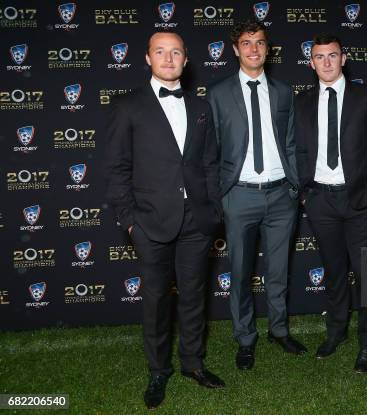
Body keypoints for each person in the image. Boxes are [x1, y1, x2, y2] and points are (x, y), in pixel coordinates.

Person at [105, 31, 225, 409]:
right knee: (156, 301)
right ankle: (159, 371)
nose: (169, 58)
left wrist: (213, 210)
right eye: (161, 51)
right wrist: (129, 220)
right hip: (150, 222)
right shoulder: (128, 106)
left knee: (193, 297)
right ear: (147, 58)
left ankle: (193, 363)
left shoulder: (201, 107)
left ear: (186, 60)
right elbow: (116, 168)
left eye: (176, 52)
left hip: (196, 222)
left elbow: (209, 164)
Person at [206, 20, 306, 371]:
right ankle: (245, 338)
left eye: (260, 43)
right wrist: (220, 194)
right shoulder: (217, 94)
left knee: (278, 271)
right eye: (246, 43)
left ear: (268, 48)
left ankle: (279, 330)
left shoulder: (282, 91)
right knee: (240, 272)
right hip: (239, 196)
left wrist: (295, 185)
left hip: (281, 196)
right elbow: (212, 150)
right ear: (235, 49)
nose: (253, 49)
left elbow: (291, 141)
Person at [295, 33, 367, 373]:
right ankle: (336, 333)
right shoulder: (302, 102)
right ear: (312, 62)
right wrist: (305, 192)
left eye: (332, 55)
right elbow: (298, 151)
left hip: (360, 201)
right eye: (319, 57)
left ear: (344, 58)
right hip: (320, 200)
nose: (327, 62)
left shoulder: (366, 96)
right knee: (334, 273)